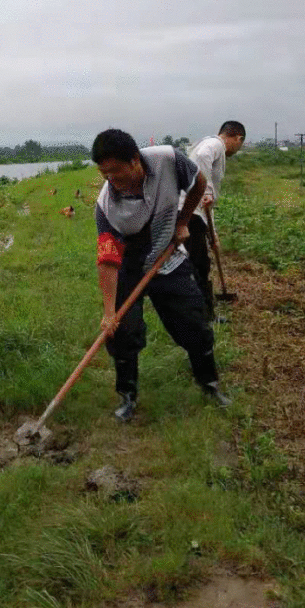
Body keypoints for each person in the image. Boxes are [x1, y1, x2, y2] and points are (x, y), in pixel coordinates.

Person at [92, 128, 230, 422]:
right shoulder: (106, 206)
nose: (111, 180)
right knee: (123, 333)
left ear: (134, 160)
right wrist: (109, 313)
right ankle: (127, 397)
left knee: (194, 322)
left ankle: (210, 385)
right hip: (128, 267)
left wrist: (182, 222)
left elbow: (198, 183)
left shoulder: (168, 159)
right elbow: (107, 259)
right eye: (105, 174)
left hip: (168, 259)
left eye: (115, 172)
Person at [185, 121, 245, 321]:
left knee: (192, 263)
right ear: (238, 138)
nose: (238, 148)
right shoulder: (216, 145)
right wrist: (207, 191)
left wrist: (213, 234)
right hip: (191, 212)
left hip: (192, 213)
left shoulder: (207, 144)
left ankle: (196, 311)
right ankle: (202, 315)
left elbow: (208, 206)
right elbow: (203, 158)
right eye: (240, 144)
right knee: (199, 265)